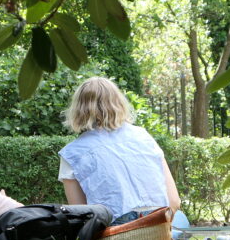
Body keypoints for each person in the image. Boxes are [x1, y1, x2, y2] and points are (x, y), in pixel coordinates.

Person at [58, 77, 181, 220]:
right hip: (159, 229)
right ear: (119, 103)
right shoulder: (144, 137)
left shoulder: (71, 154)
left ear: (79, 109)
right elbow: (174, 201)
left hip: (113, 237)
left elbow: (82, 217)